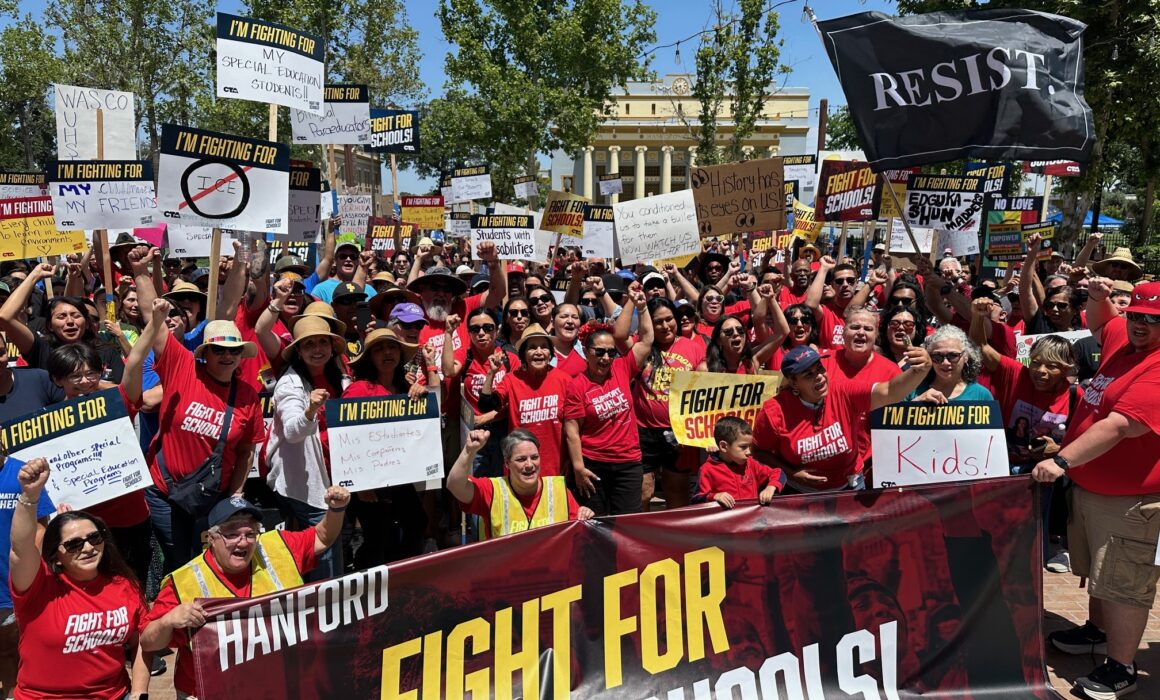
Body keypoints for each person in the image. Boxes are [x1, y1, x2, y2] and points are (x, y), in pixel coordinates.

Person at [1032, 278, 1160, 700]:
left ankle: (1121, 667)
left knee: (1123, 583)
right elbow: (1103, 322)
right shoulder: (1128, 340)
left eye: (1153, 320)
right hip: (1094, 491)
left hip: (1130, 502)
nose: (1141, 325)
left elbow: (1121, 425)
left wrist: (1062, 459)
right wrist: (1101, 299)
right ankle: (1098, 633)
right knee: (1099, 575)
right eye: (1137, 316)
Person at [141, 490, 351, 699]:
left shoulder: (278, 547)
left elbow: (323, 537)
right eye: (232, 534)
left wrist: (336, 508)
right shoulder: (184, 581)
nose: (243, 542)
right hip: (208, 691)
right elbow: (148, 642)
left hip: (279, 684)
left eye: (250, 533)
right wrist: (168, 621)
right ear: (211, 538)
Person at [45, 299, 162, 584]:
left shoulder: (116, 401)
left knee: (137, 583)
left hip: (130, 516)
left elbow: (134, 364)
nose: (85, 382)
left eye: (91, 374)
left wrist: (155, 323)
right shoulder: (47, 421)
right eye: (75, 376)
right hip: (83, 525)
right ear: (58, 379)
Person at [9, 458, 148, 700]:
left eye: (94, 538)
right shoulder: (38, 587)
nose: (87, 548)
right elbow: (21, 547)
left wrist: (138, 692)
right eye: (73, 544)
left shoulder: (125, 585)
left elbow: (142, 642)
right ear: (56, 555)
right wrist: (30, 496)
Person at [146, 316, 265, 570]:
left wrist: (235, 495)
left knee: (212, 561)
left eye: (234, 350)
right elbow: (152, 319)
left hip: (212, 499)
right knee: (181, 563)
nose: (226, 356)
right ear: (205, 353)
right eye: (218, 349)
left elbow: (246, 451)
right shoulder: (183, 368)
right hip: (165, 493)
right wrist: (154, 299)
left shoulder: (247, 396)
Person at [752, 344, 932, 492]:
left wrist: (920, 370)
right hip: (800, 493)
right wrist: (790, 473)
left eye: (820, 369)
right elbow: (758, 452)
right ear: (793, 383)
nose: (820, 377)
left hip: (849, 487)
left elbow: (889, 391)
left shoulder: (842, 391)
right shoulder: (774, 412)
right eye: (809, 375)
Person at [264, 315, 350, 581]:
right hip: (305, 484)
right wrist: (310, 410)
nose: (317, 349)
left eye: (322, 342)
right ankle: (325, 606)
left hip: (335, 474)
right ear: (298, 351)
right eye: (309, 344)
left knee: (339, 537)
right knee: (324, 545)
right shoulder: (289, 384)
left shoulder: (339, 377)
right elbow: (292, 432)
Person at [343, 329, 432, 567]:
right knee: (377, 538)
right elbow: (347, 441)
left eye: (391, 348)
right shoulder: (358, 390)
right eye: (379, 349)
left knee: (416, 522)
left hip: (400, 479)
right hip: (371, 482)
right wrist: (362, 485)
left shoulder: (406, 387)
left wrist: (422, 395)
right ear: (370, 357)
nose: (387, 353)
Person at [564, 287, 654, 516]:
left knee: (628, 523)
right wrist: (578, 468)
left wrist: (641, 307)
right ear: (586, 351)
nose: (606, 358)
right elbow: (572, 430)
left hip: (629, 464)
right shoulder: (577, 385)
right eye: (600, 352)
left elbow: (646, 340)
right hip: (594, 466)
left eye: (611, 353)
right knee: (596, 525)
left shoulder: (622, 368)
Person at [617, 297, 706, 511]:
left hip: (679, 432)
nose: (665, 326)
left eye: (669, 319)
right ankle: (641, 540)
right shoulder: (641, 347)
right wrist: (634, 301)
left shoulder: (693, 347)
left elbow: (704, 386)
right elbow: (619, 335)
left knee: (676, 491)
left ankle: (675, 541)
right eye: (658, 322)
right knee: (644, 491)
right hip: (644, 432)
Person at [447, 429, 593, 540]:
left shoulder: (559, 490)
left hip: (553, 578)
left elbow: (580, 536)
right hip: (505, 578)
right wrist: (468, 451)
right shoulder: (492, 490)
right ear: (507, 463)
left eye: (534, 457)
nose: (529, 465)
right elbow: (455, 485)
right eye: (521, 459)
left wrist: (585, 515)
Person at [0, 264, 126, 383]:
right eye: (61, 316)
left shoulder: (107, 352)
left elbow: (123, 391)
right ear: (49, 325)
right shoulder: (41, 349)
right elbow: (5, 316)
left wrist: (88, 385)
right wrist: (34, 276)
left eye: (76, 316)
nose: (70, 321)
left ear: (87, 323)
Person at [478, 324, 573, 477]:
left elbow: (573, 426)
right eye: (532, 347)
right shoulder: (512, 379)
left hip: (556, 466)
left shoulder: (564, 380)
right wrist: (491, 373)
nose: (539, 352)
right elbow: (486, 405)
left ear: (551, 352)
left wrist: (571, 459)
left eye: (544, 347)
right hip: (520, 468)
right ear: (523, 354)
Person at [443, 309, 519, 477]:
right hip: (474, 435)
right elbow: (448, 371)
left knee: (503, 483)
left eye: (488, 327)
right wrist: (448, 333)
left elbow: (516, 402)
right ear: (469, 333)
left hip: (503, 431)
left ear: (497, 329)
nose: (482, 333)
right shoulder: (467, 356)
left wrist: (486, 418)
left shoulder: (509, 359)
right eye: (475, 329)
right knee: (477, 485)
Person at [696, 417, 786, 509]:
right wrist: (715, 496)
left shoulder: (751, 463)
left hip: (753, 521)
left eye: (749, 446)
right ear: (723, 446)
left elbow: (779, 473)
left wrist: (771, 487)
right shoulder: (707, 470)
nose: (749, 452)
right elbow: (697, 500)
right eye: (743, 447)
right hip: (725, 522)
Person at [908, 325, 993, 403]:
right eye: (937, 356)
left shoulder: (982, 395)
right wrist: (916, 403)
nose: (945, 363)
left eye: (953, 356)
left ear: (966, 357)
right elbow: (896, 418)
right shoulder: (912, 390)